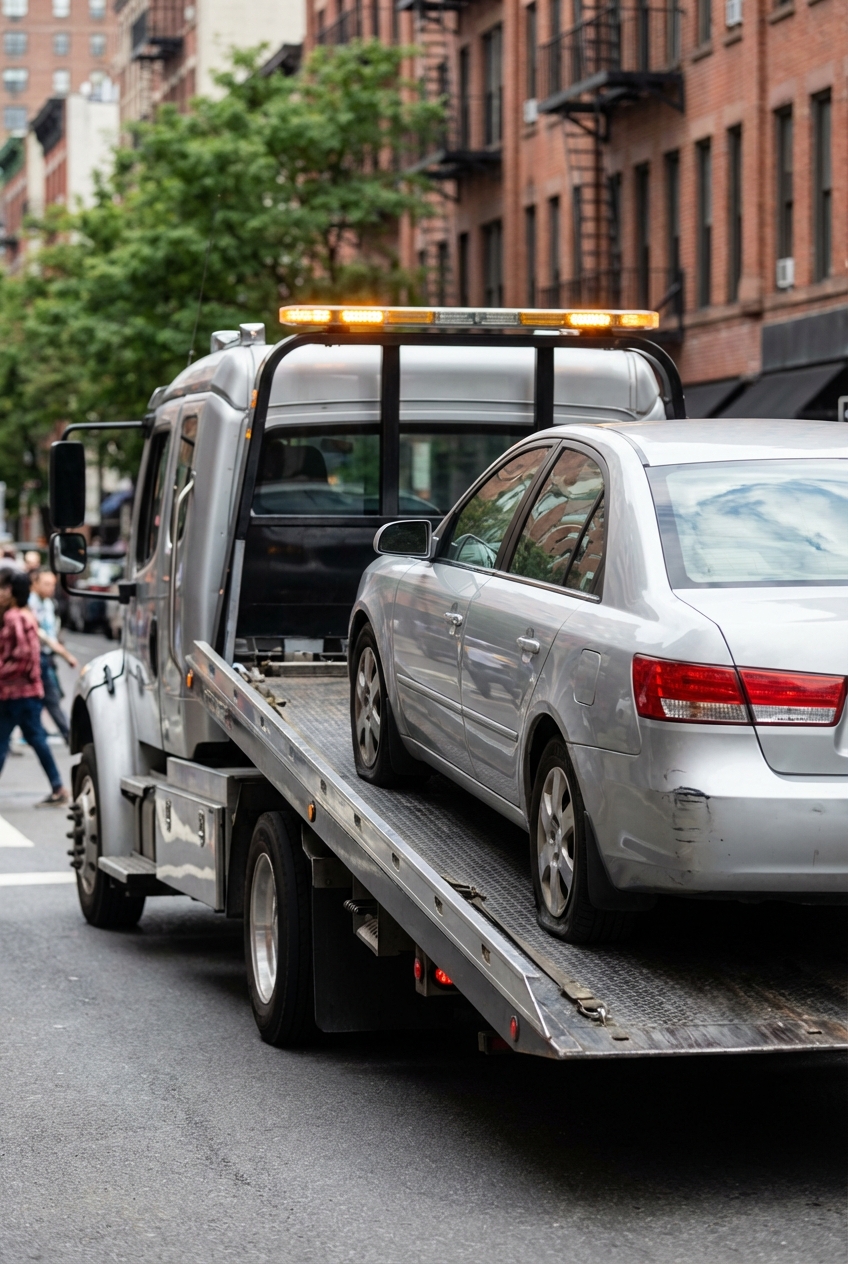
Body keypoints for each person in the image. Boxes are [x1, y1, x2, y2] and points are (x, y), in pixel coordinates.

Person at [0, 568, 68, 805]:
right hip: (24, 691)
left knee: (4, 740)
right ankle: (58, 787)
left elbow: (21, 654)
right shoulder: (25, 615)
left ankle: (59, 787)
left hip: (16, 692)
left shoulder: (14, 618)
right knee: (35, 739)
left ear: (10, 591)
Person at [28, 568, 77, 743]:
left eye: (53, 585)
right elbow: (41, 635)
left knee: (42, 697)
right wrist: (65, 655)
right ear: (35, 584)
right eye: (46, 584)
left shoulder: (49, 603)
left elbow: (52, 631)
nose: (50, 588)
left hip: (48, 657)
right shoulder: (29, 604)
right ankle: (68, 735)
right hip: (37, 657)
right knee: (51, 697)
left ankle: (35, 731)